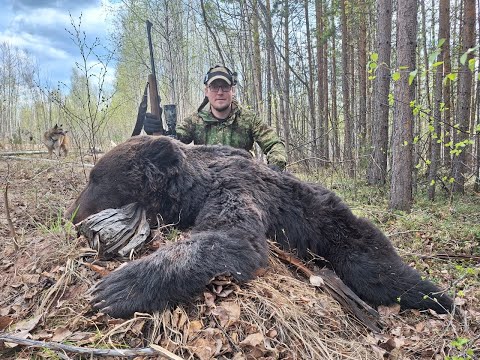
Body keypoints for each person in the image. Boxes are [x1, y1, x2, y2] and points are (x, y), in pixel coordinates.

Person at [144, 65, 287, 171]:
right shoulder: (195, 120)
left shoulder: (248, 119)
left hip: (244, 179)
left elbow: (274, 144)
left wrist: (274, 167)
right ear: (206, 91)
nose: (220, 92)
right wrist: (158, 133)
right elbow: (174, 143)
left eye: (225, 87)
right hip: (208, 183)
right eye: (214, 87)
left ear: (233, 91)